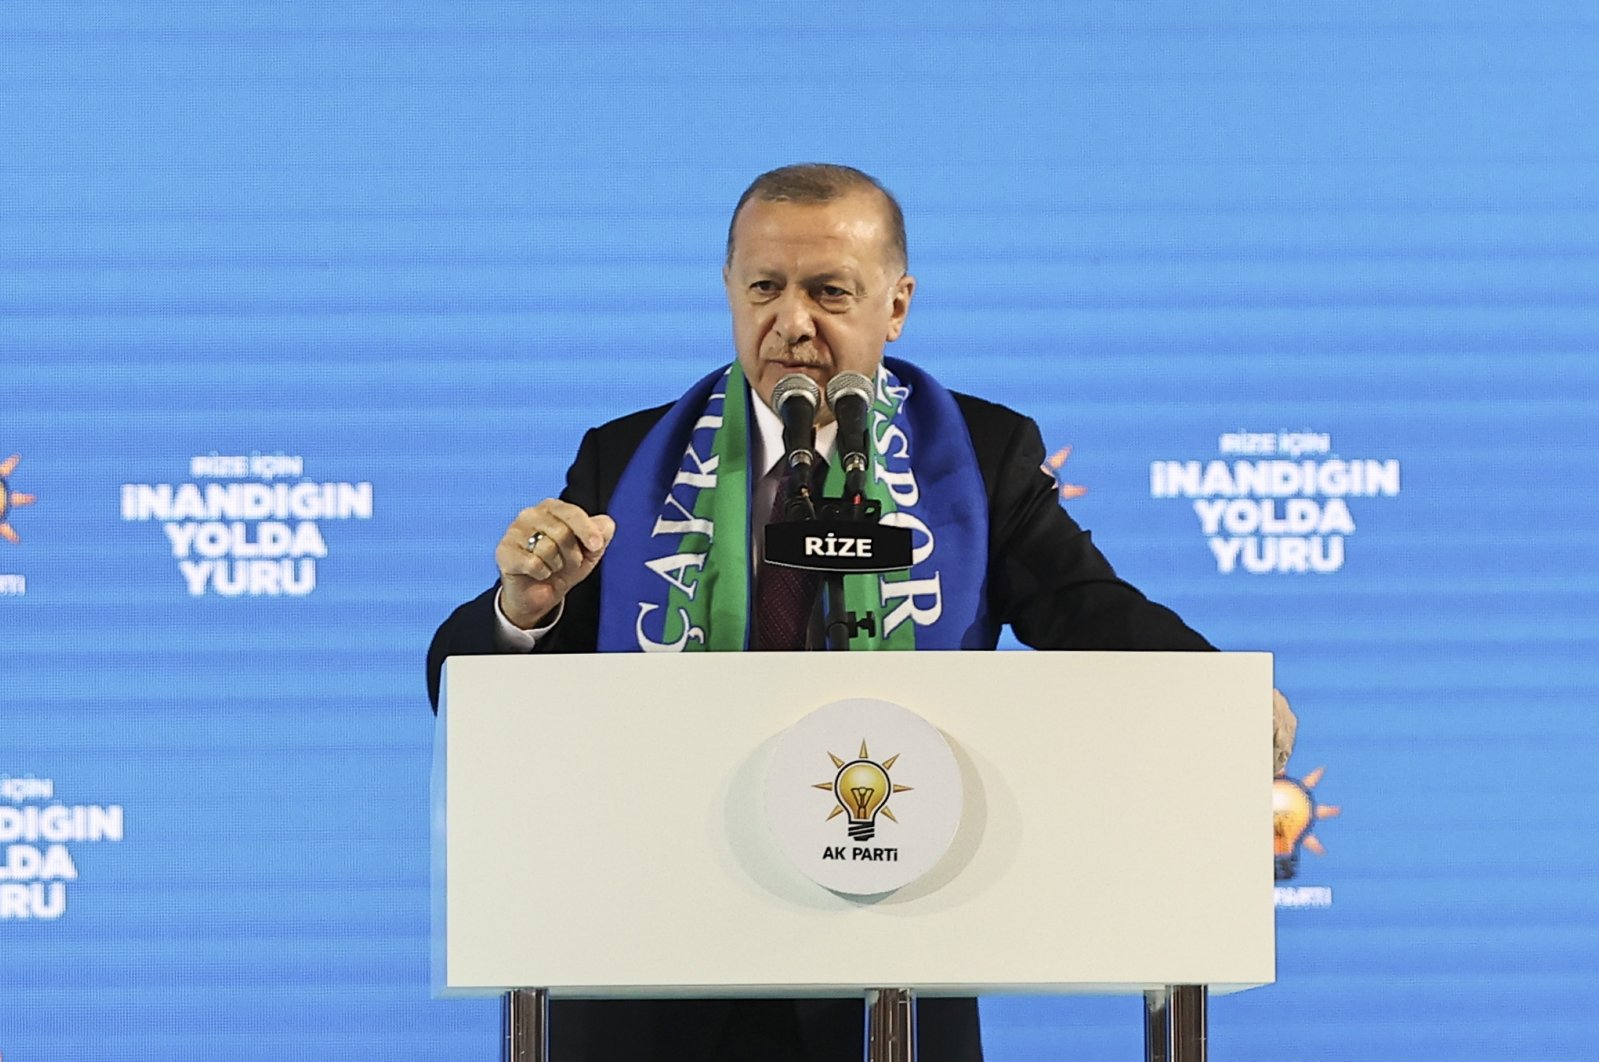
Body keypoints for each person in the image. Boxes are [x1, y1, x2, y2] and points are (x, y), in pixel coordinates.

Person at [428, 163, 1296, 1062]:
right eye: (764, 288)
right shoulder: (627, 462)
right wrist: (521, 612)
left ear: (897, 304)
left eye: (828, 292)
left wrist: (1215, 695)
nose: (791, 323)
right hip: (647, 976)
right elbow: (471, 693)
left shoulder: (979, 459)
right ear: (728, 288)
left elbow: (1087, 610)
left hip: (893, 972)